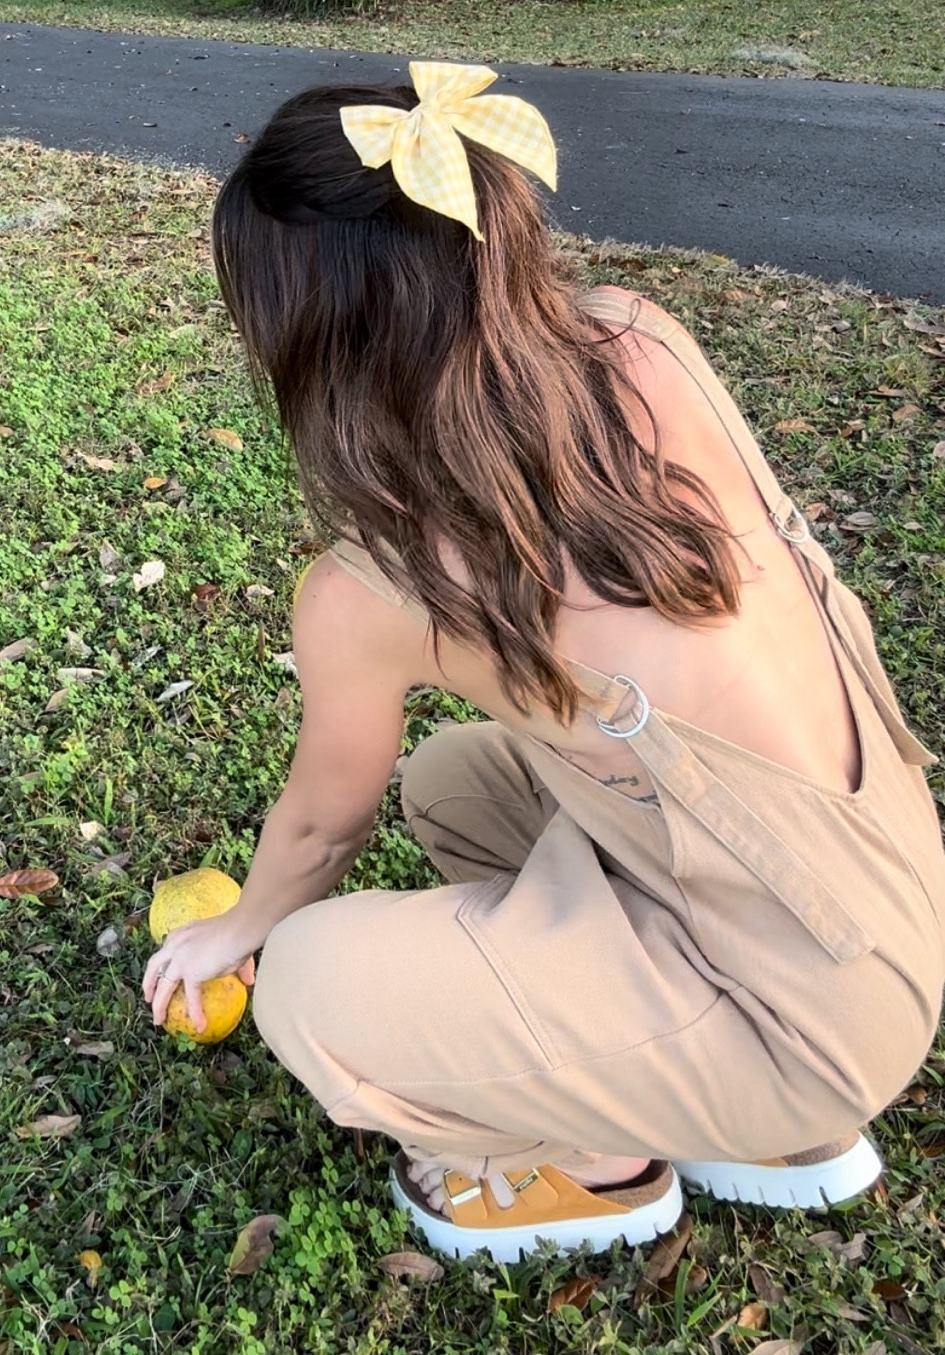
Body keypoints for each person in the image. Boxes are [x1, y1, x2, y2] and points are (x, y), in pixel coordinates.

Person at [142, 62, 945, 1263]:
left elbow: (317, 833)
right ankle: (756, 1117)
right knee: (457, 781)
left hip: (813, 1018)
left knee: (311, 978)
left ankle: (594, 1162)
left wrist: (239, 928)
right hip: (890, 892)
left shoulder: (377, 583)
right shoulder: (640, 337)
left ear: (311, 340)